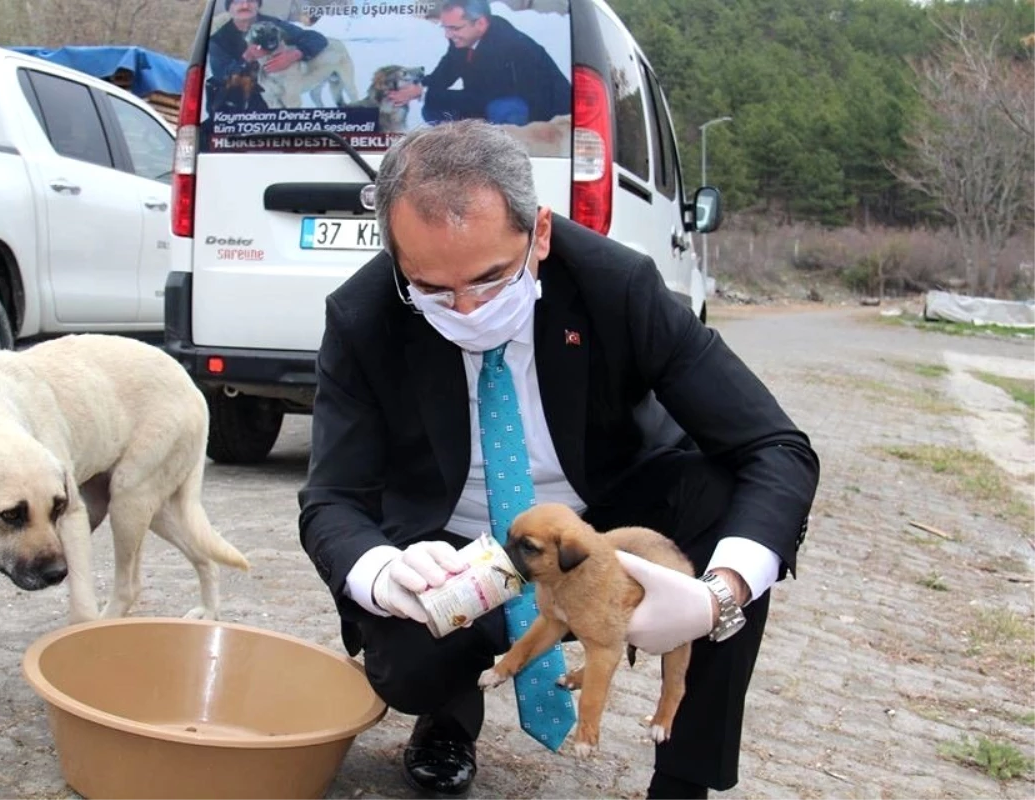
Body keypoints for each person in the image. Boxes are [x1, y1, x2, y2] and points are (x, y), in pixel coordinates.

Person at [297, 120, 819, 799]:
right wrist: (382, 569)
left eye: (489, 280)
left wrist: (719, 596)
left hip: (597, 526)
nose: (465, 310)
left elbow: (774, 448)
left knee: (721, 501)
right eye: (431, 288)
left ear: (539, 233)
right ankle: (449, 711)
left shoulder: (615, 285)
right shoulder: (364, 315)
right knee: (411, 664)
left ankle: (685, 777)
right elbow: (331, 497)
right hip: (452, 543)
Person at [387, 0, 572, 125]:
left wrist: (425, 93)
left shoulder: (509, 45)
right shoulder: (463, 39)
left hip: (545, 118)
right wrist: (416, 88)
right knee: (434, 105)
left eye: (454, 28)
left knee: (504, 108)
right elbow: (443, 75)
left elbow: (483, 97)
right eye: (445, 28)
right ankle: (451, 155)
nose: (448, 35)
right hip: (489, 102)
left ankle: (506, 161)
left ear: (481, 24)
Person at [205, 0, 329, 114]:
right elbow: (221, 76)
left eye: (251, 1)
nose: (244, 5)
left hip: (282, 103)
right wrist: (246, 58)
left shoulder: (273, 26)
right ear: (229, 8)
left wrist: (294, 55)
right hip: (242, 110)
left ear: (258, 5)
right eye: (237, 2)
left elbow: (316, 39)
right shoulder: (219, 40)